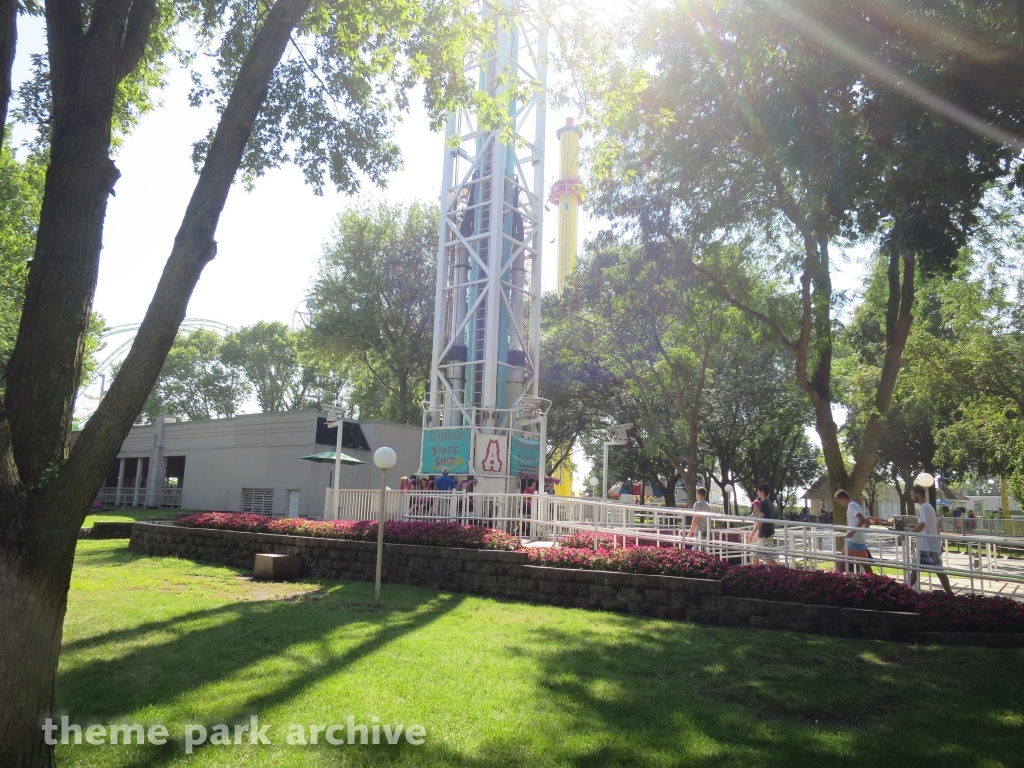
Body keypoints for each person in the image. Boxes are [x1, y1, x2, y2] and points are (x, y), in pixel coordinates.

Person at [901, 485, 954, 596]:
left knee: (939, 572)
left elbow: (921, 526)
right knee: (915, 570)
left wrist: (904, 535)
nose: (911, 497)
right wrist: (939, 543)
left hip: (929, 546)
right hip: (924, 545)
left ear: (918, 494)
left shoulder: (924, 507)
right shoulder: (927, 507)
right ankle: (904, 593)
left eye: (912, 495)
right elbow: (936, 526)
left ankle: (950, 594)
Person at [834, 490, 873, 574]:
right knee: (865, 563)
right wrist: (862, 533)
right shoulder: (856, 505)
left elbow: (862, 520)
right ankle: (872, 580)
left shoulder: (851, 505)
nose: (840, 504)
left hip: (853, 539)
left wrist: (852, 532)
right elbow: (867, 522)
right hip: (860, 539)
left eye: (839, 502)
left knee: (841, 560)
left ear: (843, 498)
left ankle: (836, 579)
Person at [747, 483, 780, 566]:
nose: (757, 492)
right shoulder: (769, 503)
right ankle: (756, 574)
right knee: (755, 555)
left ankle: (781, 572)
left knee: (767, 558)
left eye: (758, 491)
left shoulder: (763, 503)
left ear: (762, 491)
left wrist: (752, 534)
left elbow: (761, 519)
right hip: (767, 533)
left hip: (765, 534)